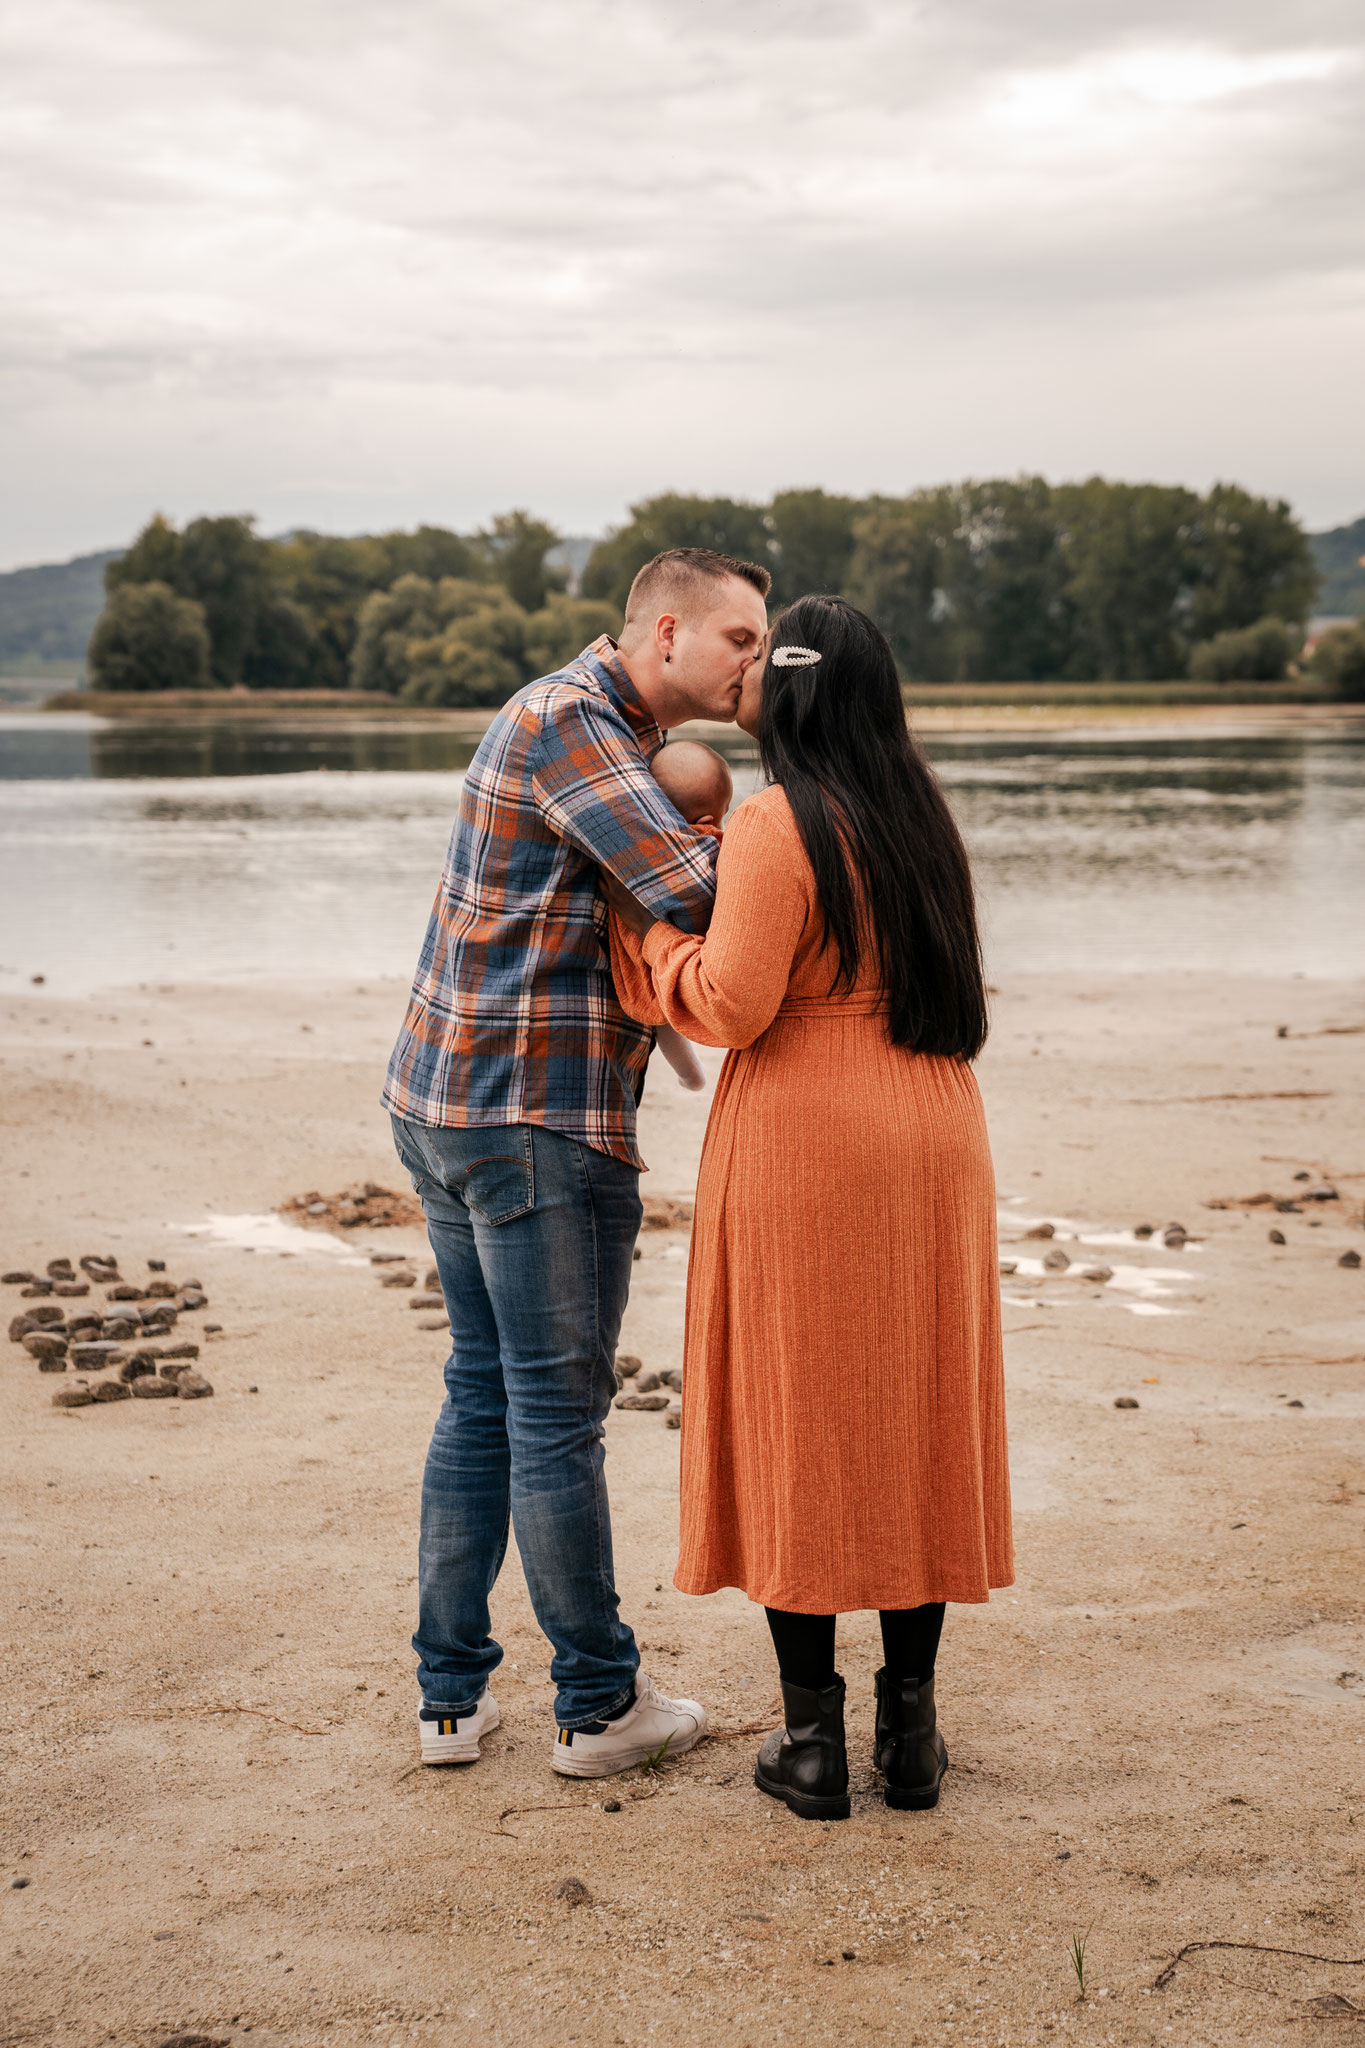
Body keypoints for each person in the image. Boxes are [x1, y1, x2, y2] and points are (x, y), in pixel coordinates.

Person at [607, 594, 1013, 1820]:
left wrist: (643, 946)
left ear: (787, 696)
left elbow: (731, 1003)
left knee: (803, 1410)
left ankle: (811, 1742)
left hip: (809, 1131)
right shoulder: (922, 817)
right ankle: (915, 1733)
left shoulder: (779, 821)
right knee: (913, 1407)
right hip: (935, 1123)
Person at [383, 546, 771, 1777]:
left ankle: (451, 1701)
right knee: (552, 1416)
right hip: (531, 1116)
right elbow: (701, 890)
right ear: (665, 633)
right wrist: (794, 828)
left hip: (450, 1103)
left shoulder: (577, 724)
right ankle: (599, 1704)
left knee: (485, 1393)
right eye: (741, 643)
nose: (755, 665)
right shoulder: (571, 723)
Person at [642, 742, 734, 1093]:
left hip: (651, 946)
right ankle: (691, 1076)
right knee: (666, 1009)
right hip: (683, 948)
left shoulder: (648, 841)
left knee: (661, 1013)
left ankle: (689, 1074)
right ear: (708, 819)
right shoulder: (710, 845)